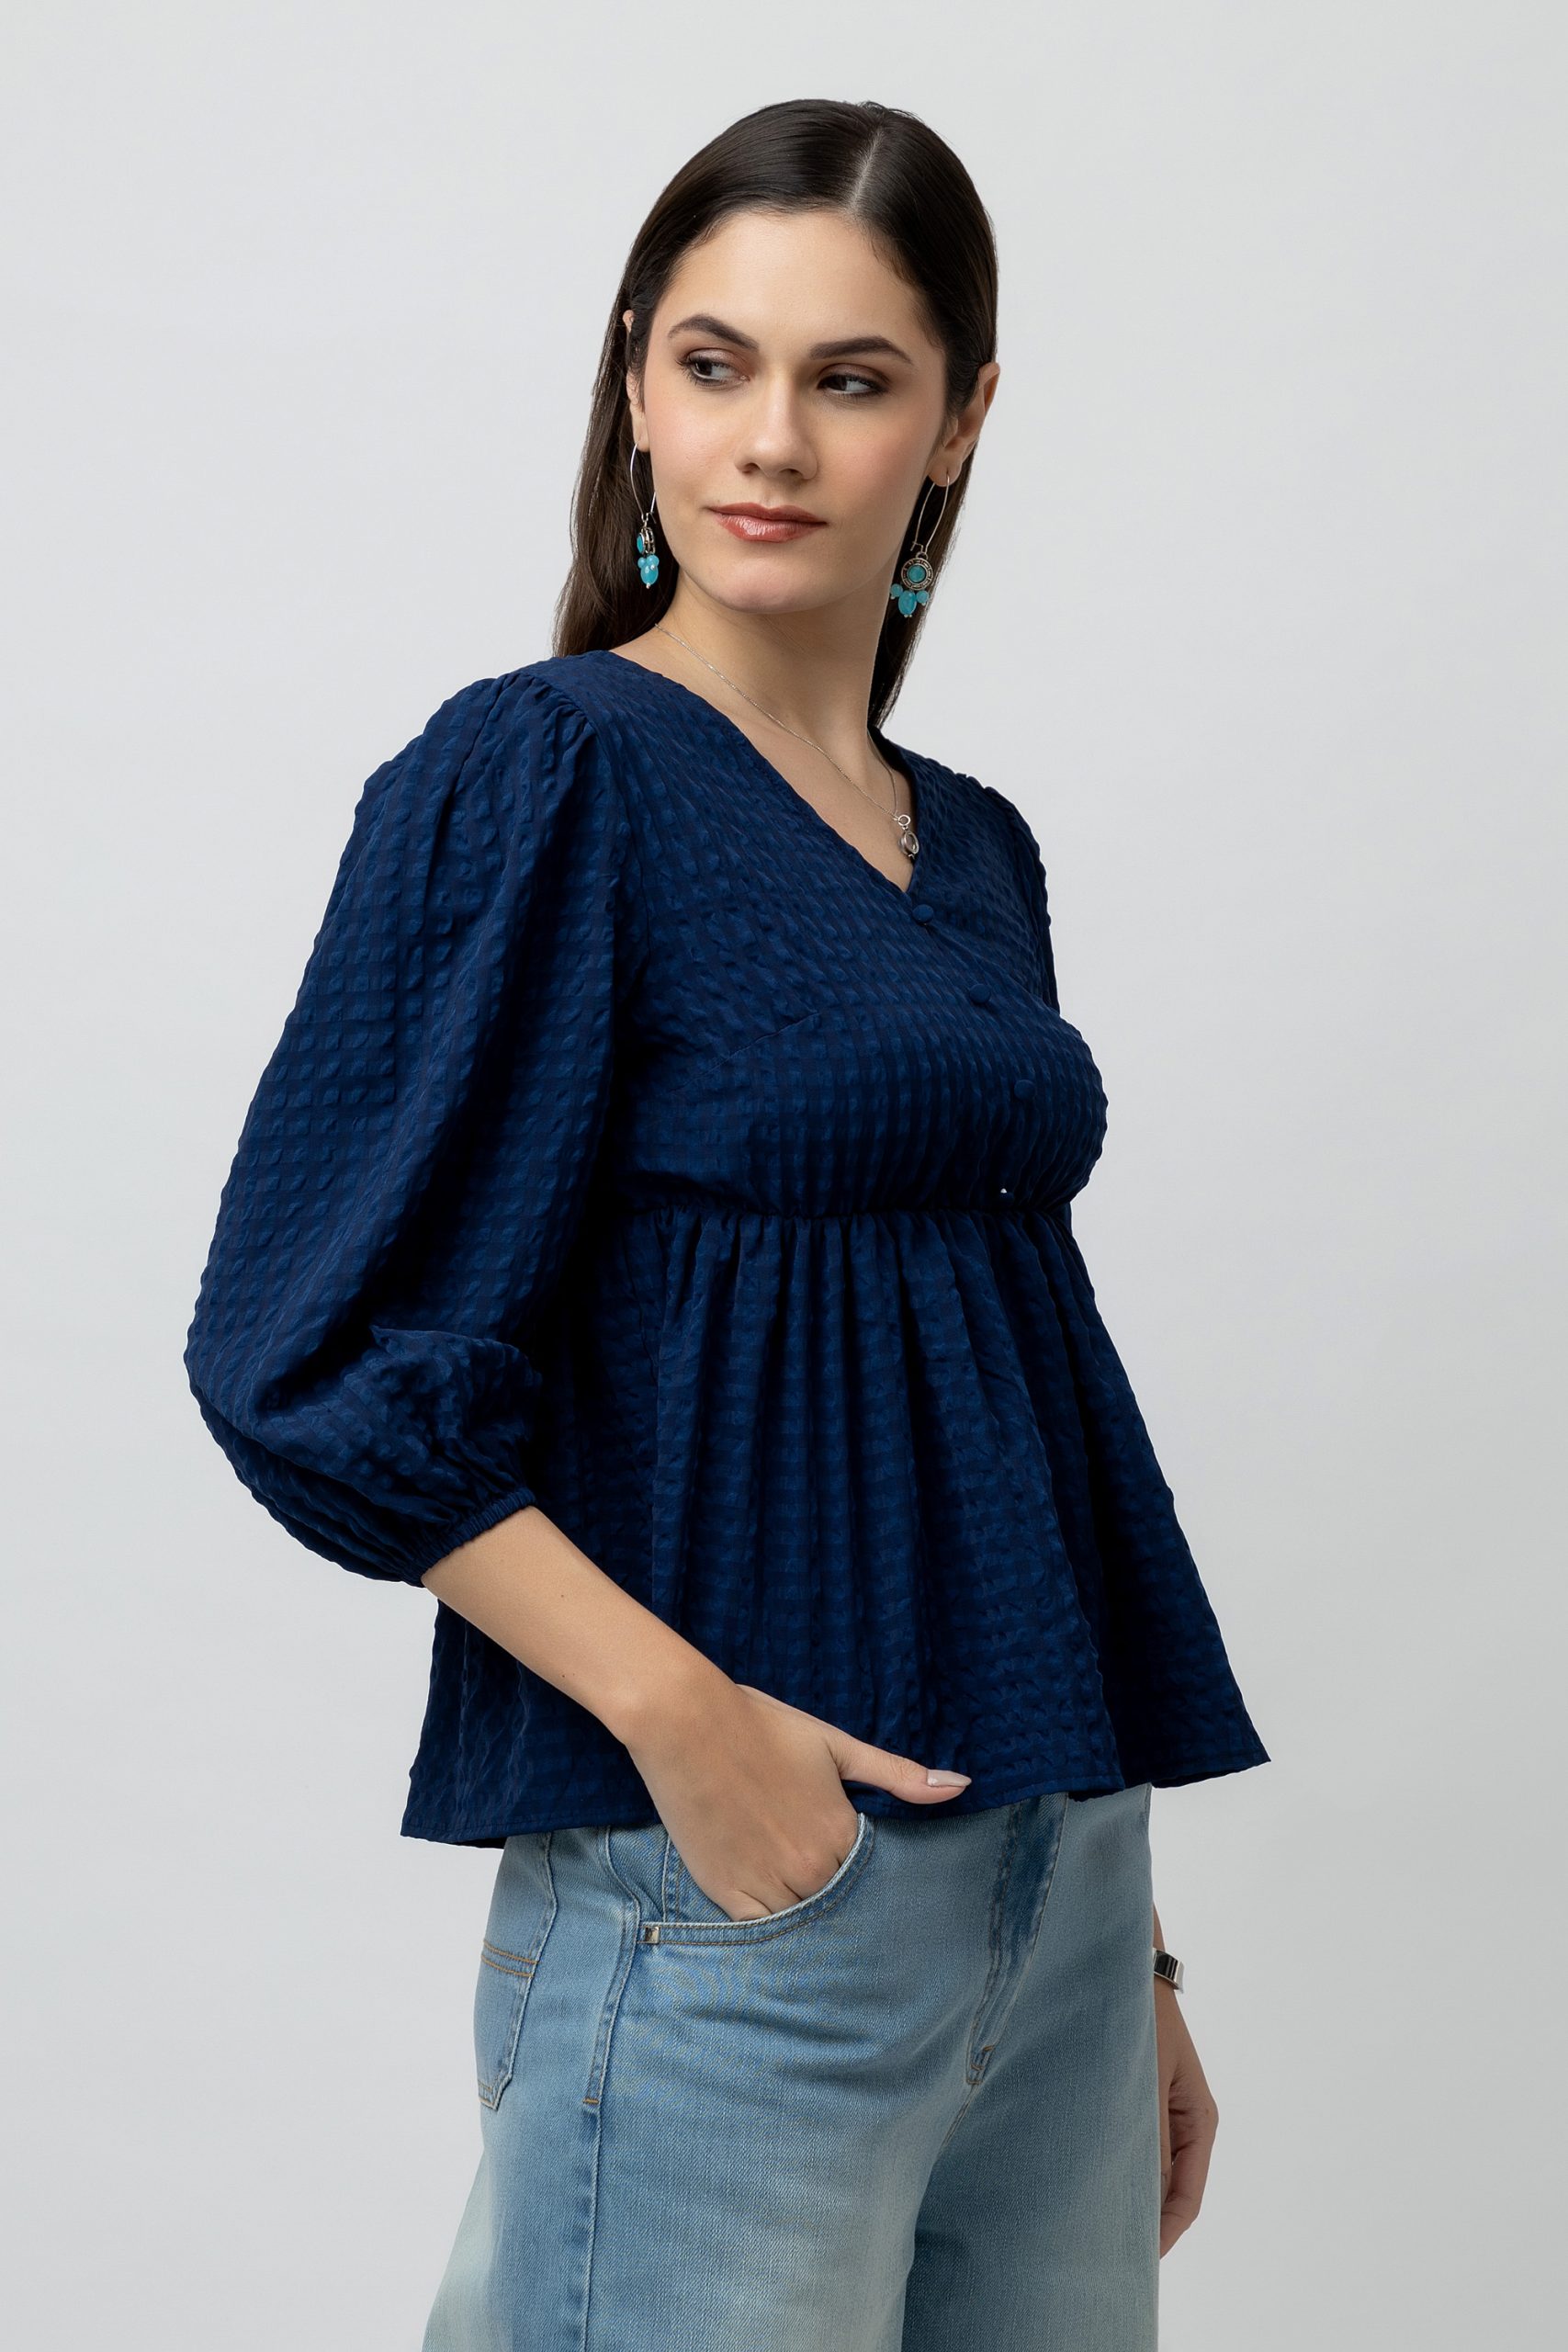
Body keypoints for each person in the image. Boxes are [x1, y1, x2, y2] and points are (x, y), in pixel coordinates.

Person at [184, 96, 1269, 2352]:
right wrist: (685, 1725)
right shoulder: (548, 770)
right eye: (713, 363)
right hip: (740, 1899)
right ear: (632, 384)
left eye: (849, 379)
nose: (768, 440)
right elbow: (304, 1349)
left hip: (1059, 1894)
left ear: (958, 422)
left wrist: (1128, 1942)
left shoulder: (972, 848)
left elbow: (1013, 1395)